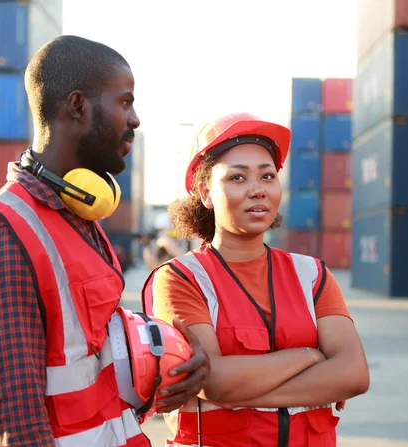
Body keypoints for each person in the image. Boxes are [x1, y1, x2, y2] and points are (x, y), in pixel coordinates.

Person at [0, 36, 209, 447]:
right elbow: (18, 428)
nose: (136, 119)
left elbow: (84, 371)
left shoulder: (78, 217)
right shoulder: (5, 237)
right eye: (125, 102)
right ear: (78, 105)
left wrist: (163, 370)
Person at [141, 112, 370, 446]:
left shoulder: (312, 276)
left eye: (267, 176)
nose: (258, 190)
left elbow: (354, 373)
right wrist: (312, 357)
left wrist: (243, 388)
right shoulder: (180, 279)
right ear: (205, 193)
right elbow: (215, 381)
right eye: (237, 178)